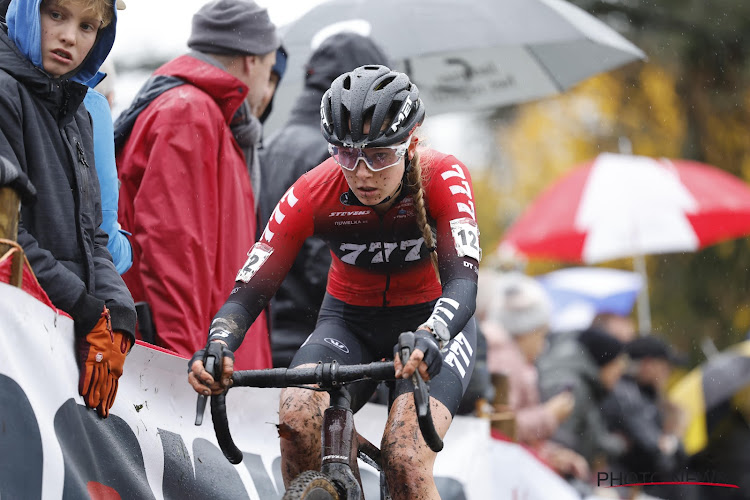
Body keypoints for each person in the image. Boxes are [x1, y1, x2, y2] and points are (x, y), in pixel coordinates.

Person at [189, 65, 481, 499]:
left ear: (411, 142)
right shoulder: (313, 190)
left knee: (405, 458)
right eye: (346, 155)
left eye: (379, 156)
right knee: (296, 417)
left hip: (432, 322)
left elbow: (463, 280)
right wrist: (219, 343)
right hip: (348, 323)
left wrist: (433, 332)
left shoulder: (444, 175)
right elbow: (250, 287)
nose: (362, 173)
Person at [114, 0, 280, 368]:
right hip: (198, 368)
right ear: (252, 61)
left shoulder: (205, 114)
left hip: (215, 359)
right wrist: (181, 365)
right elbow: (173, 251)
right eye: (269, 68)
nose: (266, 86)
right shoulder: (189, 112)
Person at [0, 0, 135, 417]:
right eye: (55, 14)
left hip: (57, 344)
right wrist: (89, 309)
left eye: (88, 26)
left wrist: (119, 317)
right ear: (23, 9)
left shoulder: (78, 113)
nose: (69, 37)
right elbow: (7, 235)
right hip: (15, 342)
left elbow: (92, 232)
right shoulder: (4, 93)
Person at [257, 32, 391, 368]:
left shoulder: (267, 145)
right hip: (323, 349)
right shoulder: (337, 158)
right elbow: (334, 264)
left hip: (265, 339)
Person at [482, 272, 589, 479]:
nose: (543, 345)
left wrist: (552, 454)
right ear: (525, 330)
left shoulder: (507, 355)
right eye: (542, 334)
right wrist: (549, 415)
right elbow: (498, 428)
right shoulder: (503, 359)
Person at [602, 335, 689, 499]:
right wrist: (674, 435)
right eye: (666, 367)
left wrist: (669, 441)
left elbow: (675, 456)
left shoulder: (645, 395)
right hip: (615, 485)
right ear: (648, 364)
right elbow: (659, 457)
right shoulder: (625, 394)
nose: (669, 374)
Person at [538, 326, 628, 469]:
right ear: (603, 362)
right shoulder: (571, 386)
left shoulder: (583, 381)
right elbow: (561, 445)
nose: (620, 372)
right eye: (616, 365)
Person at [84, 56, 133, 274]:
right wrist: (127, 249)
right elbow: (107, 245)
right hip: (81, 290)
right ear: (111, 99)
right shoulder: (93, 105)